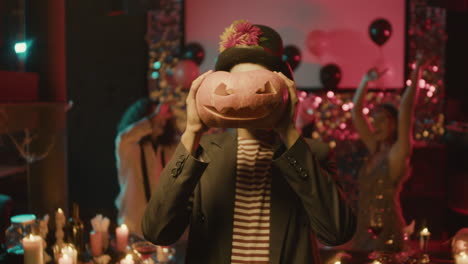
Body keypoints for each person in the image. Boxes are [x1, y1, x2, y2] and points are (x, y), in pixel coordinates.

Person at [142, 20, 356, 263]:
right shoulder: (202, 154)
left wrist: (288, 131)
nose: (247, 94)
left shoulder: (310, 154)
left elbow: (337, 232)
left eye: (258, 83)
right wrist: (192, 132)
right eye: (237, 82)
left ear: (286, 89)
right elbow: (157, 230)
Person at [350, 52, 424, 251]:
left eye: (384, 119)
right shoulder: (374, 149)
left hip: (386, 232)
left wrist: (417, 70)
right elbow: (356, 112)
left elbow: (407, 109)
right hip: (363, 229)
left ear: (395, 124)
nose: (377, 124)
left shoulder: (396, 154)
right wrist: (365, 80)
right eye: (375, 119)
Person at [115, 97, 184, 235]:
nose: (161, 121)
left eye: (164, 117)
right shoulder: (129, 147)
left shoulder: (168, 148)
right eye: (155, 115)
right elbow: (125, 137)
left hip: (164, 230)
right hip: (134, 228)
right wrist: (154, 118)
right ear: (142, 119)